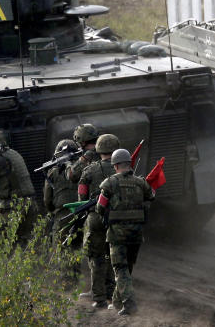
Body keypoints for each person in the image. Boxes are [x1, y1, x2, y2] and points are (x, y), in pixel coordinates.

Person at [95, 148, 155, 316]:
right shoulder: (140, 182)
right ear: (130, 164)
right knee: (126, 269)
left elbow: (100, 207)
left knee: (120, 269)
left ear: (115, 166)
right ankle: (116, 302)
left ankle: (129, 303)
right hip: (136, 234)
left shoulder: (109, 183)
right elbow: (151, 196)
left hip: (117, 235)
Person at [77, 133, 120, 308]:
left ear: (98, 149)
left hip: (95, 217)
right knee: (113, 255)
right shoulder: (122, 169)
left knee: (95, 257)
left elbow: (82, 196)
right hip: (117, 218)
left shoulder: (89, 170)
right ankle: (112, 293)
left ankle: (99, 297)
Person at [44, 139, 80, 234]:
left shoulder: (52, 172)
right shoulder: (84, 168)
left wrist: (52, 211)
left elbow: (47, 200)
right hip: (82, 213)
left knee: (60, 247)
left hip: (62, 215)